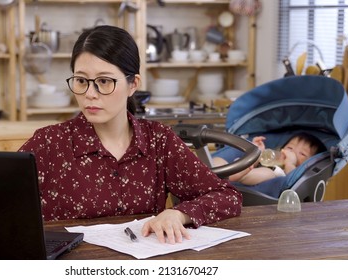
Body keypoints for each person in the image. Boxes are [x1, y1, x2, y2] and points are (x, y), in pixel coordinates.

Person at [18, 25, 242, 244]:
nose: (90, 94)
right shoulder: (49, 143)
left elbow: (227, 197)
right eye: (81, 81)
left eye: (104, 82)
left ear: (133, 84)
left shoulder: (158, 140)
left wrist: (178, 214)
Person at [213, 132, 325, 185]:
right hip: (245, 166)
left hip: (268, 174)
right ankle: (210, 168)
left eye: (302, 154)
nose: (292, 152)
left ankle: (236, 174)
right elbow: (256, 162)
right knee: (219, 160)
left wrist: (289, 163)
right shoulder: (274, 157)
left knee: (267, 172)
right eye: (290, 147)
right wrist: (257, 152)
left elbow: (292, 180)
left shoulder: (290, 171)